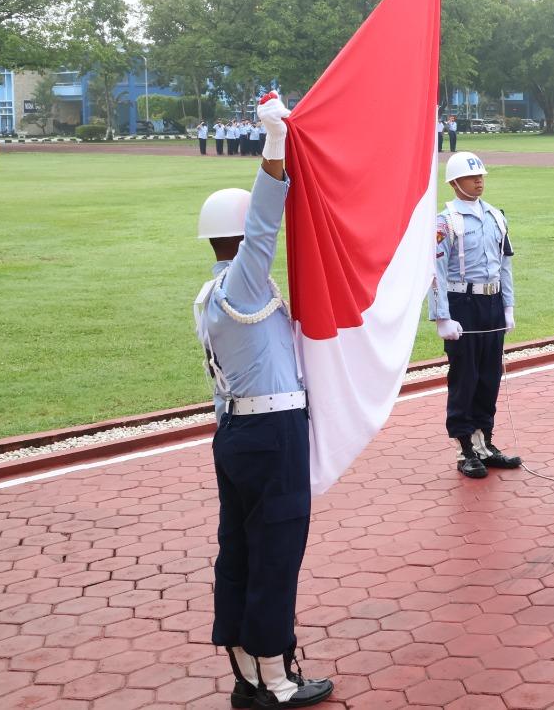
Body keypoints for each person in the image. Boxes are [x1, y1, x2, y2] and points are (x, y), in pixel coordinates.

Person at [195, 93, 334, 708]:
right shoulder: (242, 282)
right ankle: (276, 680)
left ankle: (247, 670)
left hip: (235, 433)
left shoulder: (210, 294)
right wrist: (275, 143)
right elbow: (264, 227)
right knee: (276, 553)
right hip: (271, 432)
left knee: (241, 551)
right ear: (235, 236)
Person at [428, 151, 522, 479]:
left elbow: (504, 265)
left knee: (489, 375)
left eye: (481, 175)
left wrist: (508, 306)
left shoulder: (496, 216)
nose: (479, 181)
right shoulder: (445, 221)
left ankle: (486, 441)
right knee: (464, 377)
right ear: (454, 182)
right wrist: (442, 317)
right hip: (462, 303)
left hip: (491, 301)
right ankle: (465, 447)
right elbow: (436, 271)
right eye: (471, 177)